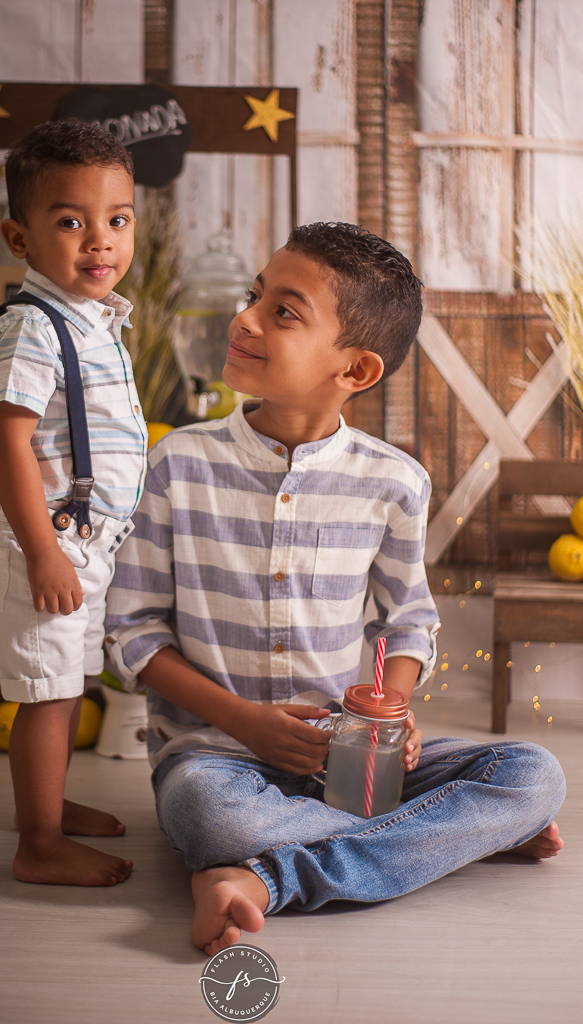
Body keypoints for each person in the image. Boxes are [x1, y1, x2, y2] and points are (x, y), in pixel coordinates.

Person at [105, 222, 565, 952]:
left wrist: (396, 712)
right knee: (211, 815)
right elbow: (132, 633)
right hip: (217, 756)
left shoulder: (394, 483)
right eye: (256, 295)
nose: (245, 318)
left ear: (355, 371)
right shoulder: (177, 465)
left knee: (533, 776)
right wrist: (248, 724)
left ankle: (258, 878)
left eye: (283, 311)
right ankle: (442, 839)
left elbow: (408, 621)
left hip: (349, 758)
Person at [0, 119, 146, 887]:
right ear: (20, 237)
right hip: (32, 539)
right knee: (45, 690)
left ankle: (48, 806)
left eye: (116, 220)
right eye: (71, 221)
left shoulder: (95, 322)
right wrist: (41, 551)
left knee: (65, 682)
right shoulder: (32, 328)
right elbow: (10, 442)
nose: (98, 241)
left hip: (79, 541)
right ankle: (37, 845)